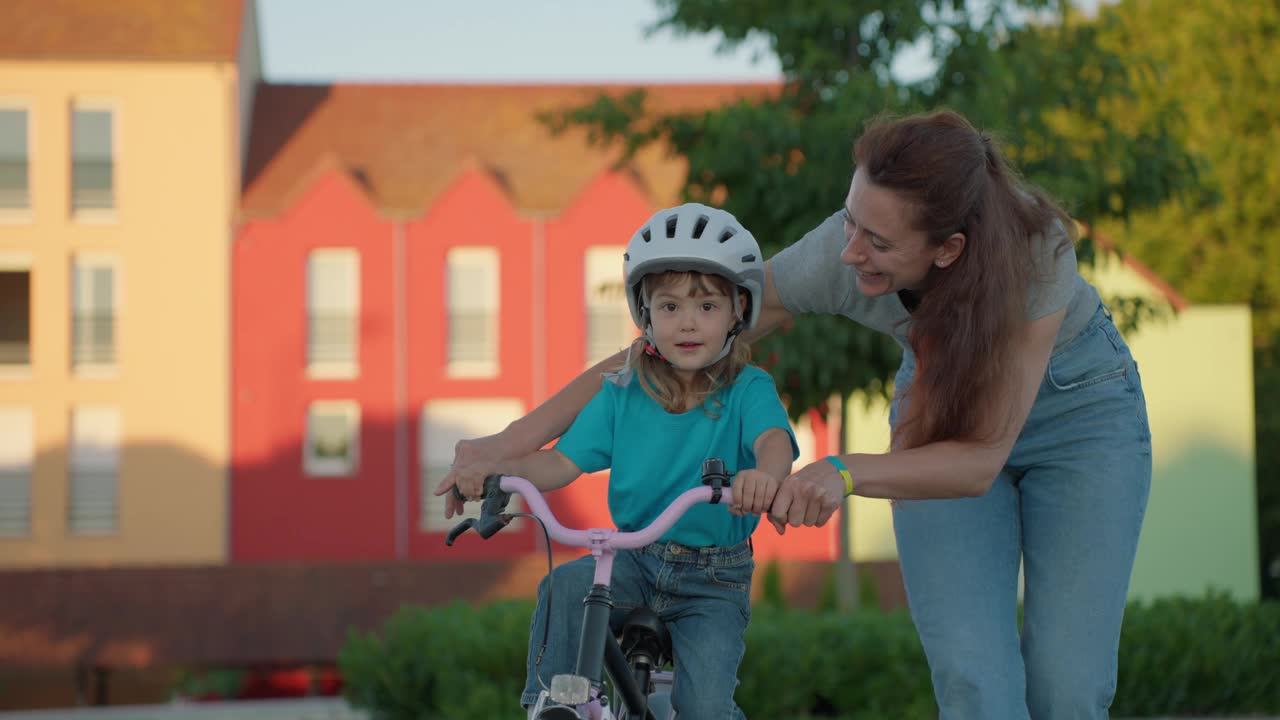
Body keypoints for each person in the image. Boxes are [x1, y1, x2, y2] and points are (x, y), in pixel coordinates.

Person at [444, 110, 1153, 719]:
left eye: (876, 242)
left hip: (1079, 419)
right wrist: (505, 447)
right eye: (851, 221)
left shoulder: (1034, 256)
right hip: (938, 415)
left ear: (948, 251)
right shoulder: (837, 256)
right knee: (974, 679)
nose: (850, 252)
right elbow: (663, 357)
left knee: (1069, 685)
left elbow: (981, 457)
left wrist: (839, 472)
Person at [435, 203, 798, 719]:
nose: (688, 323)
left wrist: (765, 478)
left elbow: (773, 443)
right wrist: (497, 474)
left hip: (713, 580)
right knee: (564, 585)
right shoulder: (623, 393)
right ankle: (551, 705)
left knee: (706, 708)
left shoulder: (749, 389)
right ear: (645, 314)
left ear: (739, 309)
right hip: (635, 557)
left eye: (707, 307)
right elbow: (559, 464)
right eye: (669, 307)